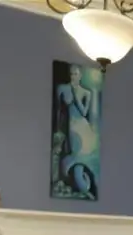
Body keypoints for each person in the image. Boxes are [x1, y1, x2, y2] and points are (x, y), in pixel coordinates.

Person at [54, 65, 99, 198]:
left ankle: (85, 187)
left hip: (82, 128)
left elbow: (84, 112)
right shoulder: (62, 88)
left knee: (79, 156)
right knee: (73, 156)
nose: (73, 77)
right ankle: (82, 186)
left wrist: (75, 96)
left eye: (76, 74)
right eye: (72, 74)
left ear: (80, 76)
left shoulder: (86, 92)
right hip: (71, 127)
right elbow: (59, 111)